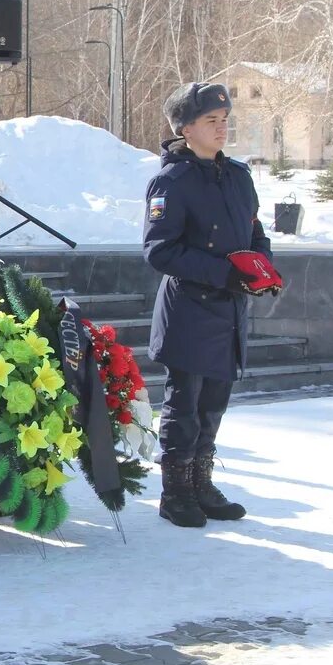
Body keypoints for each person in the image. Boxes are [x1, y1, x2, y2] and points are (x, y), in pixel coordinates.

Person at [145, 81, 274, 529]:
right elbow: (160, 251)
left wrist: (262, 271)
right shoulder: (171, 181)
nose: (221, 128)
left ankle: (201, 482)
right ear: (184, 128)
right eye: (210, 121)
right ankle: (175, 491)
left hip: (229, 308)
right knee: (184, 405)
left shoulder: (237, 175)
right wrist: (226, 273)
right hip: (190, 309)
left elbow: (254, 233)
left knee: (214, 402)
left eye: (224, 120)